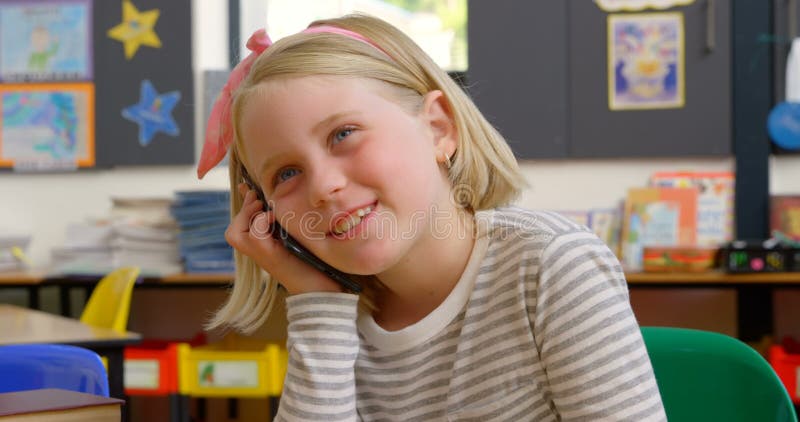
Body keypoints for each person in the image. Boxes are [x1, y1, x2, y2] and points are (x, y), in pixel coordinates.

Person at [197, 14, 666, 421]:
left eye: (343, 135)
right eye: (287, 173)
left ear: (439, 129)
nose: (323, 188)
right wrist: (317, 304)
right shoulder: (333, 320)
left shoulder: (551, 266)